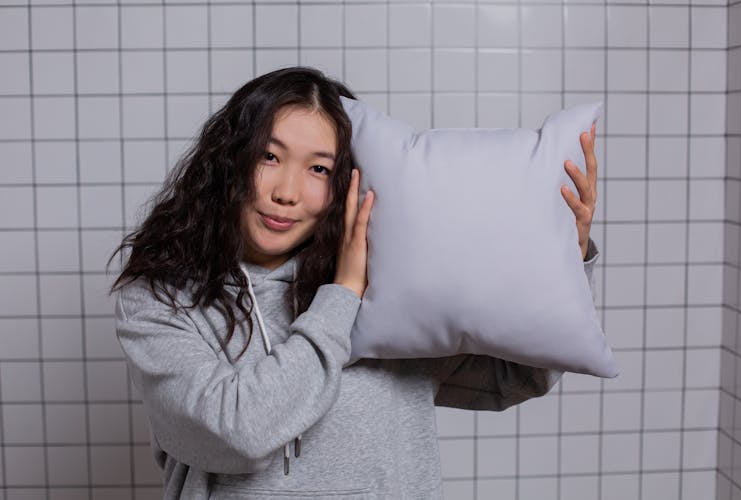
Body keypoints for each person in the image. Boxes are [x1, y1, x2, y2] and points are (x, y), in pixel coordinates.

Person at [110, 66, 601, 499]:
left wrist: (563, 259)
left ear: (346, 182)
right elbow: (237, 432)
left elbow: (510, 379)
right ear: (228, 162)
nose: (286, 192)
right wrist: (341, 297)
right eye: (269, 157)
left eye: (318, 168)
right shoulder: (161, 300)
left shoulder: (393, 290)